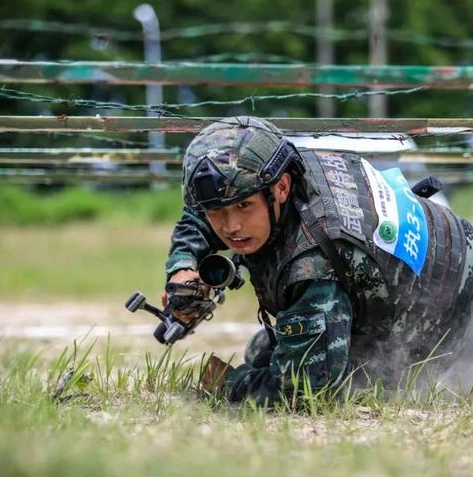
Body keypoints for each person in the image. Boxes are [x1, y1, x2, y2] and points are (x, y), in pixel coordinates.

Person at [164, 116, 473, 405]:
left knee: (273, 358)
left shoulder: (313, 263)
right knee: (264, 349)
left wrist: (228, 384)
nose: (230, 226)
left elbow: (301, 389)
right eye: (218, 212)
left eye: (244, 206)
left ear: (281, 188)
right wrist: (182, 267)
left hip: (455, 330)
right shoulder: (295, 165)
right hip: (450, 260)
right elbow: (203, 209)